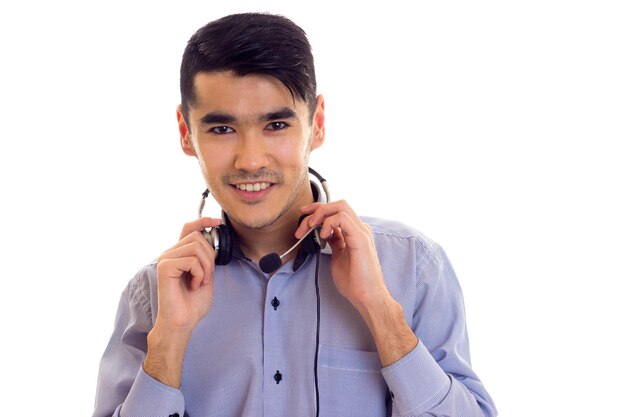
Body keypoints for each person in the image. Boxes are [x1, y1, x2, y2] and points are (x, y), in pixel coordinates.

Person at [92, 12, 497, 417]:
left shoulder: (411, 267)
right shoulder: (153, 298)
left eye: (277, 124)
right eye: (222, 129)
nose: (250, 161)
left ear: (316, 124)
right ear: (185, 132)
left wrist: (381, 312)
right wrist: (168, 345)